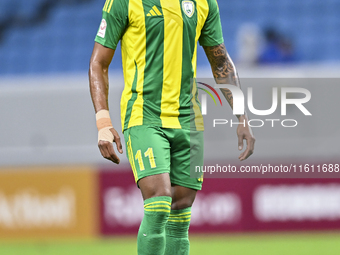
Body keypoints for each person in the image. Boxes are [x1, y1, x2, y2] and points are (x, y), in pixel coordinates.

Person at [89, 0, 255, 254]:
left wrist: (242, 115)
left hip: (188, 120)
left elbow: (220, 61)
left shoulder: (204, 3)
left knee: (181, 214)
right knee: (158, 202)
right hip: (145, 117)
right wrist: (103, 122)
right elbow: (98, 63)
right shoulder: (123, 2)